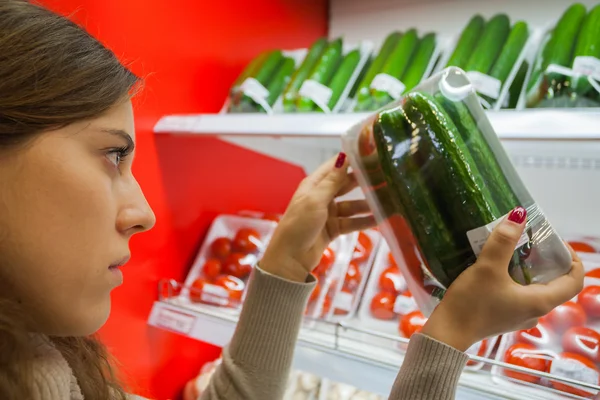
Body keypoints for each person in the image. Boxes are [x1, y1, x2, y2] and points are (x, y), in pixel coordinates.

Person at [0, 1, 584, 400]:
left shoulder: (39, 361)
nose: (144, 214)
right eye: (112, 155)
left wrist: (283, 260)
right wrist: (448, 337)